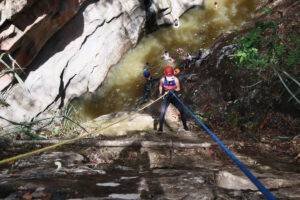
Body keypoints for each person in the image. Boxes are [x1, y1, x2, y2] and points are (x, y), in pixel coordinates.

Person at [158, 66, 188, 132]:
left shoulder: (176, 79)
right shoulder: (162, 80)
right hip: (166, 97)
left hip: (174, 97)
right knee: (162, 112)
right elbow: (160, 86)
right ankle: (160, 129)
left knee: (182, 111)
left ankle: (185, 127)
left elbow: (178, 89)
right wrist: (161, 93)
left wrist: (172, 88)